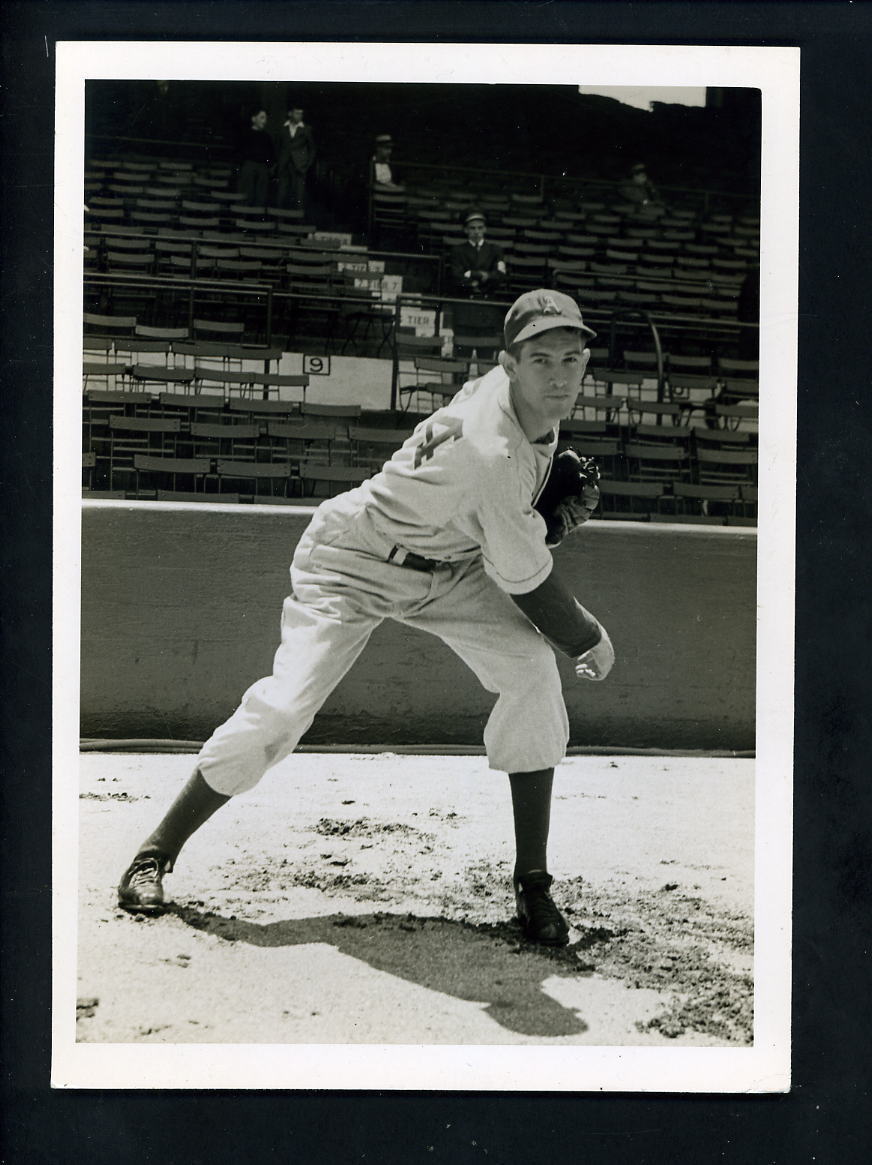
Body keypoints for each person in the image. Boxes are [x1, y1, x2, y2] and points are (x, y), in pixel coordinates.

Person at [117, 289, 616, 947]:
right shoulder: (493, 454)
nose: (558, 374)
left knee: (530, 670)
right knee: (285, 708)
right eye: (541, 358)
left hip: (450, 565)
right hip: (354, 559)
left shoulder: (516, 403)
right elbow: (531, 584)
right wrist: (588, 637)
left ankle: (532, 881)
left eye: (571, 359)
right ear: (509, 364)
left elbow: (501, 520)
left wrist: (526, 512)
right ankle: (154, 851)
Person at [449, 210, 508, 342]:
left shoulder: (495, 250)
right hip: (465, 308)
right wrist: (484, 277)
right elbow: (456, 278)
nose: (476, 231)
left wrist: (474, 275)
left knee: (486, 355)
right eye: (472, 228)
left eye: (480, 228)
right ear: (465, 230)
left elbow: (500, 277)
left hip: (487, 308)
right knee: (462, 353)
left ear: (485, 229)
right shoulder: (457, 251)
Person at [275, 105, 316, 210]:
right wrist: (279, 162)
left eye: (301, 113)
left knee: (299, 195)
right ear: (290, 114)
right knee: (282, 193)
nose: (300, 116)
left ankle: (298, 221)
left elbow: (312, 149)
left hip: (299, 166)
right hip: (284, 165)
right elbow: (278, 146)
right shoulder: (282, 128)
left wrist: (307, 165)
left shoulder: (306, 129)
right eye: (297, 113)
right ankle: (280, 220)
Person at [237, 109, 274, 207]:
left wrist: (267, 165)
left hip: (262, 168)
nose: (264, 121)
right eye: (262, 117)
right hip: (249, 167)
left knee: (261, 196)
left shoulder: (267, 137)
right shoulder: (245, 134)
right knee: (246, 194)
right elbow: (240, 152)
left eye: (265, 118)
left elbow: (271, 155)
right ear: (254, 119)